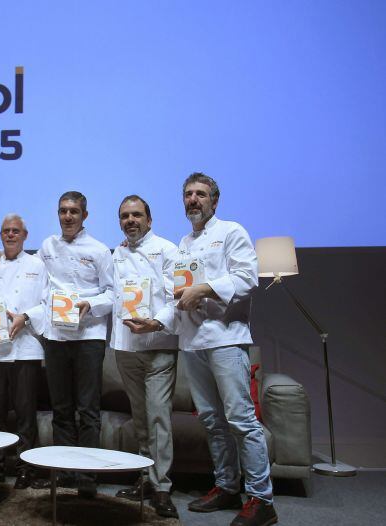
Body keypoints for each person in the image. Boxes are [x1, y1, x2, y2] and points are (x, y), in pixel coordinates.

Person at [132, 173, 278, 526]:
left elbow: (247, 278)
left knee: (241, 420)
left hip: (226, 338)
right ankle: (227, 486)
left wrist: (206, 289)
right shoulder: (183, 243)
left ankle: (262, 499)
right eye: (187, 194)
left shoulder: (231, 232)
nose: (193, 200)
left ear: (214, 200)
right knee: (212, 421)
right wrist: (157, 323)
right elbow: (176, 295)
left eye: (200, 194)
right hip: (192, 342)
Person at [0, 191, 113, 496]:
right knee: (61, 409)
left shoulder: (99, 250)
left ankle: (88, 477)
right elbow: (25, 268)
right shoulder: (47, 246)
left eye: (73, 211)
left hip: (88, 337)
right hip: (56, 337)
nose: (67, 216)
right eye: (62, 211)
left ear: (85, 215)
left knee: (87, 410)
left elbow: (112, 295)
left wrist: (89, 304)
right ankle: (65, 473)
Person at [111, 195, 179, 518]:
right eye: (125, 216)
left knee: (157, 416)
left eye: (136, 215)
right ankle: (145, 479)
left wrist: (155, 322)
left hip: (158, 344)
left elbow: (176, 297)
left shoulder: (167, 250)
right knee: (141, 418)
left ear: (149, 220)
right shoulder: (117, 253)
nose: (130, 220)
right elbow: (111, 295)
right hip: (126, 346)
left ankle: (162, 486)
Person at [0, 214, 48, 489]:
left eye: (16, 231)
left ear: (25, 236)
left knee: (26, 414)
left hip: (25, 350)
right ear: (0, 235)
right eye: (6, 231)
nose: (11, 235)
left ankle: (27, 468)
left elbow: (45, 304)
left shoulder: (38, 266)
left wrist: (25, 316)